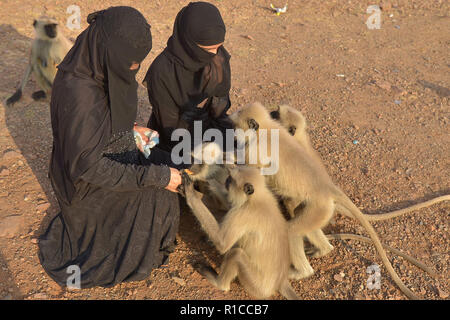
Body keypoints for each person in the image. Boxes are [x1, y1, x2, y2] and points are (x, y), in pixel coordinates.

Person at [38, 6, 182, 289]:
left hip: (100, 154)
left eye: (137, 63)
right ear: (109, 51)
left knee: (164, 160)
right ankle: (125, 251)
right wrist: (156, 177)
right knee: (155, 190)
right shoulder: (79, 93)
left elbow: (99, 122)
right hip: (83, 184)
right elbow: (88, 166)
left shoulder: (95, 62)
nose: (133, 69)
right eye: (129, 62)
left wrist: (131, 130)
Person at [143, 1, 233, 153]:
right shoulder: (162, 72)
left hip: (209, 128)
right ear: (188, 42)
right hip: (174, 138)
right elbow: (170, 128)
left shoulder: (218, 58)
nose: (214, 54)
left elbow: (220, 110)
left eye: (218, 47)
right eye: (207, 49)